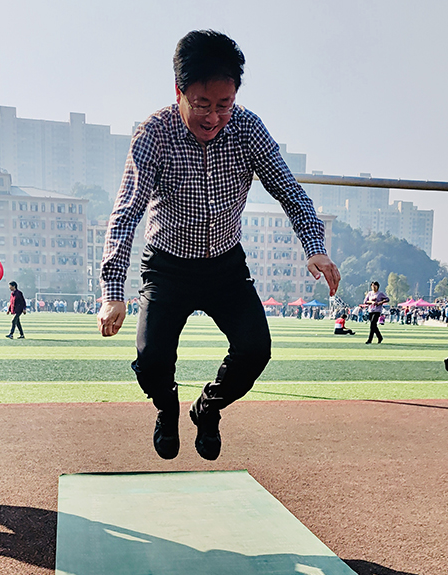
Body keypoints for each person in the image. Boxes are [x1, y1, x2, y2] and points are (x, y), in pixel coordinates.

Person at [97, 30, 340, 461]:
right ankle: (166, 405)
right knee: (151, 360)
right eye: (202, 104)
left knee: (256, 349)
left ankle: (207, 409)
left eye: (224, 104)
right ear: (179, 93)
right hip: (167, 265)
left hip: (225, 265)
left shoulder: (247, 128)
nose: (213, 118)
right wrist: (112, 293)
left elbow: (290, 191)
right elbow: (126, 211)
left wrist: (314, 246)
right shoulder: (154, 134)